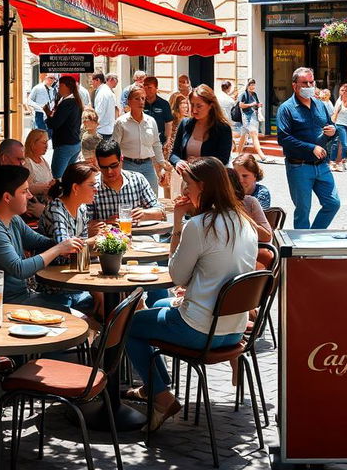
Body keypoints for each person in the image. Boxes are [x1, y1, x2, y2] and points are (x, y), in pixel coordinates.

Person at [124, 157, 258, 431]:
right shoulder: (245, 223)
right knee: (161, 302)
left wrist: (177, 224)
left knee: (126, 324)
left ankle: (161, 397)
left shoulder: (198, 226)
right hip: (234, 330)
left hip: (200, 330)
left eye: (188, 185)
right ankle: (155, 387)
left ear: (204, 187)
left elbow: (176, 277)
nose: (184, 192)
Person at [0, 165, 84, 308]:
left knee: (84, 300)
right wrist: (59, 248)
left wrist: (69, 243)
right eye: (24, 191)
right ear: (7, 197)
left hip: (24, 296)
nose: (30, 196)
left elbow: (38, 242)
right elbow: (19, 269)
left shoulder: (13, 218)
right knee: (74, 309)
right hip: (3, 305)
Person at [276, 66, 340, 229]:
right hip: (299, 166)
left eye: (312, 82)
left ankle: (314, 236)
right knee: (303, 210)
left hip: (322, 165)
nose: (309, 86)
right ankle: (302, 250)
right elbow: (283, 138)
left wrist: (333, 131)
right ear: (294, 85)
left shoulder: (321, 105)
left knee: (333, 203)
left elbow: (330, 127)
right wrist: (310, 148)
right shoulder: (286, 108)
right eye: (305, 83)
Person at [37, 162, 103, 315]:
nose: (96, 189)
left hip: (76, 284)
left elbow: (84, 256)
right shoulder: (56, 210)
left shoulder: (82, 208)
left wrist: (97, 289)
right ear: (75, 188)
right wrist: (94, 240)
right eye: (92, 185)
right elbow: (65, 248)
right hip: (55, 290)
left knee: (117, 303)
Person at [87, 139, 166, 226]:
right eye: (104, 167)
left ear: (121, 159)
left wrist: (145, 214)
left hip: (139, 234)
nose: (109, 171)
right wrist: (105, 223)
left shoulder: (137, 180)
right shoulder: (92, 187)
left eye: (114, 166)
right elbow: (85, 223)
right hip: (107, 237)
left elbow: (161, 212)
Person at [112, 85, 168, 195]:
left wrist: (162, 165)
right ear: (129, 101)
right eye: (137, 98)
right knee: (130, 197)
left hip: (148, 166)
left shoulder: (151, 121)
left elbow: (156, 144)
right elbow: (115, 146)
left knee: (152, 197)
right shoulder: (121, 122)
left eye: (143, 98)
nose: (141, 101)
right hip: (129, 165)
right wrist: (116, 167)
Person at [169, 84, 233, 175]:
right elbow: (174, 153)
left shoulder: (223, 129)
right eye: (192, 105)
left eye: (199, 106)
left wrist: (199, 162)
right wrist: (177, 162)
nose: (194, 110)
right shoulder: (185, 124)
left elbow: (223, 159)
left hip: (210, 179)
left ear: (211, 106)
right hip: (187, 179)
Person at [45, 75, 83, 178]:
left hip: (65, 144)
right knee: (68, 176)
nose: (58, 88)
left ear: (67, 87)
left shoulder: (68, 103)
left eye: (60, 86)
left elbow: (55, 123)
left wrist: (48, 115)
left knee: (57, 176)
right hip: (74, 142)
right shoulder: (74, 101)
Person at [237, 78, 270, 162]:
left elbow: (256, 104)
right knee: (254, 135)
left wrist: (259, 105)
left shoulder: (254, 94)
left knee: (243, 137)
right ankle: (262, 156)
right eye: (251, 84)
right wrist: (251, 104)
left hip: (253, 117)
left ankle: (238, 154)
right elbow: (241, 105)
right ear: (247, 85)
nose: (252, 86)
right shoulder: (243, 94)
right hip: (247, 118)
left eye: (253, 84)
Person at [143, 76, 174, 155]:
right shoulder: (140, 103)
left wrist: (168, 139)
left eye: (149, 87)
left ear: (156, 88)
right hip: (143, 139)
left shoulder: (164, 104)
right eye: (145, 87)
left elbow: (168, 123)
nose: (146, 90)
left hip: (159, 139)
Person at [23, 129, 53, 201]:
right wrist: (47, 187)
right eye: (43, 143)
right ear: (33, 144)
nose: (47, 146)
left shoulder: (43, 160)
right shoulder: (27, 163)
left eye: (47, 142)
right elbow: (27, 188)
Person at [331, 83, 347, 170]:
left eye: (346, 90)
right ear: (340, 92)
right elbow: (335, 113)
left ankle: (340, 161)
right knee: (344, 144)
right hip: (340, 124)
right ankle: (344, 161)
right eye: (342, 90)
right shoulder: (338, 102)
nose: (344, 92)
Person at [91, 71, 116, 140]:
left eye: (92, 80)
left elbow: (99, 113)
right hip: (107, 129)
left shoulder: (102, 93)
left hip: (103, 131)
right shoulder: (107, 90)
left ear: (97, 80)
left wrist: (93, 127)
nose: (91, 83)